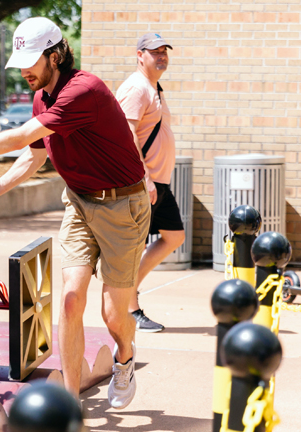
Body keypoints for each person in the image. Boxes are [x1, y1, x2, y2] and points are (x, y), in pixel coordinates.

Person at [0, 17, 149, 408]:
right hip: (79, 202)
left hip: (121, 205)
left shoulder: (83, 90)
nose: (25, 70)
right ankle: (70, 407)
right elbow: (34, 154)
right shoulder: (43, 97)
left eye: (32, 60)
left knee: (113, 313)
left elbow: (20, 136)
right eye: (21, 61)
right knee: (71, 301)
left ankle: (125, 355)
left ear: (56, 55)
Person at [116, 33, 185, 333]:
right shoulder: (136, 87)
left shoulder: (154, 87)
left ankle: (130, 293)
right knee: (134, 248)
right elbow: (126, 136)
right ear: (139, 55)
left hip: (159, 181)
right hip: (143, 182)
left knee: (175, 236)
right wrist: (144, 178)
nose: (161, 56)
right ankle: (129, 309)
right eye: (154, 51)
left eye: (164, 51)